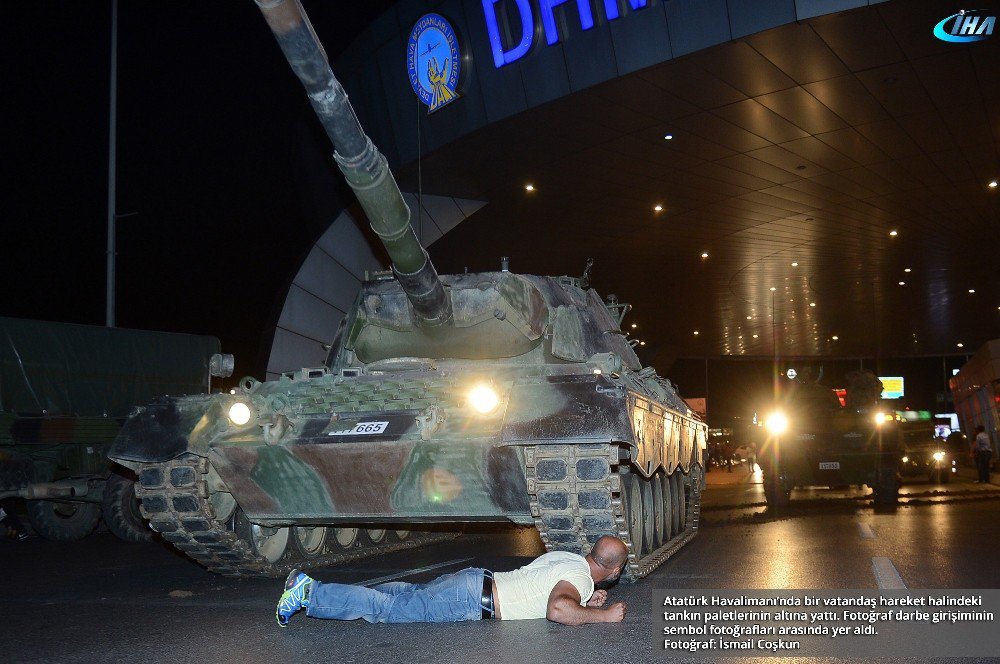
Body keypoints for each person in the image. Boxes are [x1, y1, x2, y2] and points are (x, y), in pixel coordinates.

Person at [275, 535, 630, 626]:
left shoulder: (570, 561)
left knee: (402, 595)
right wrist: (603, 615)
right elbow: (556, 608)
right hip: (471, 599)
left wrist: (585, 598)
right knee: (389, 611)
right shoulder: (579, 579)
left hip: (475, 581)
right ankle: (311, 593)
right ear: (613, 570)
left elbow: (544, 584)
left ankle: (310, 587)